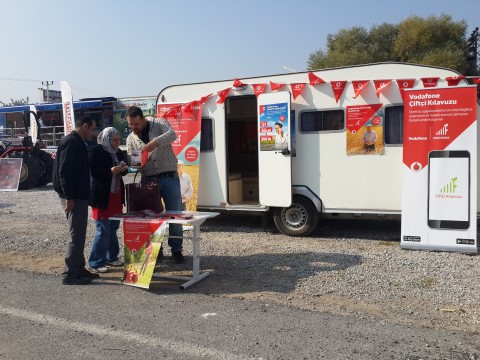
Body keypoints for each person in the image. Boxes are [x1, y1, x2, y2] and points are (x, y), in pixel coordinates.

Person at [126, 106, 185, 264]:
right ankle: (156, 250)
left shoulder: (159, 123)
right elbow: (135, 163)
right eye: (130, 125)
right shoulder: (131, 139)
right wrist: (140, 161)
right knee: (152, 217)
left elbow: (173, 134)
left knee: (175, 214)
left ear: (143, 118)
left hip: (169, 177)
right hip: (149, 179)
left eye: (136, 124)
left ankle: (176, 249)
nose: (133, 128)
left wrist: (155, 143)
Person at [52, 116, 97, 285]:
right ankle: (70, 274)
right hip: (74, 197)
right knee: (76, 235)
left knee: (80, 234)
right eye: (92, 129)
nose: (93, 133)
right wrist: (68, 197)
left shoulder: (76, 141)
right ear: (85, 126)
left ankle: (79, 268)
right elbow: (64, 172)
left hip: (78, 196)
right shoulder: (71, 142)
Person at [88, 127, 128, 273]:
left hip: (115, 196)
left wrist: (123, 169)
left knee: (113, 228)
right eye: (114, 140)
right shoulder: (94, 151)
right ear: (107, 139)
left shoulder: (118, 152)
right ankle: (95, 262)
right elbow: (93, 171)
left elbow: (121, 174)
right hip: (101, 196)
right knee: (102, 229)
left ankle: (112, 256)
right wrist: (110, 171)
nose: (117, 143)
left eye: (118, 140)